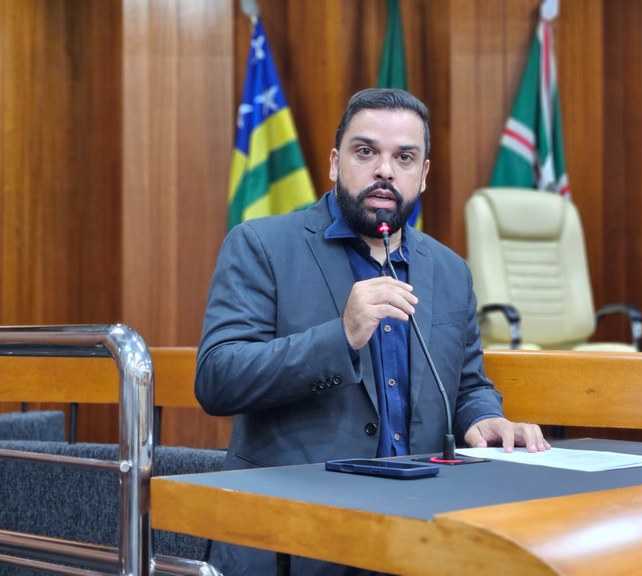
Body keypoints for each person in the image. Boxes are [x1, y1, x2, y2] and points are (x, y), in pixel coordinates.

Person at [195, 88, 550, 576]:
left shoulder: (450, 270)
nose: (385, 170)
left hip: (419, 536)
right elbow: (218, 378)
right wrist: (340, 336)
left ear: (423, 174)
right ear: (335, 163)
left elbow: (467, 385)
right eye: (366, 152)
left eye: (404, 157)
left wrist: (484, 417)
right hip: (293, 535)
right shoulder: (262, 245)